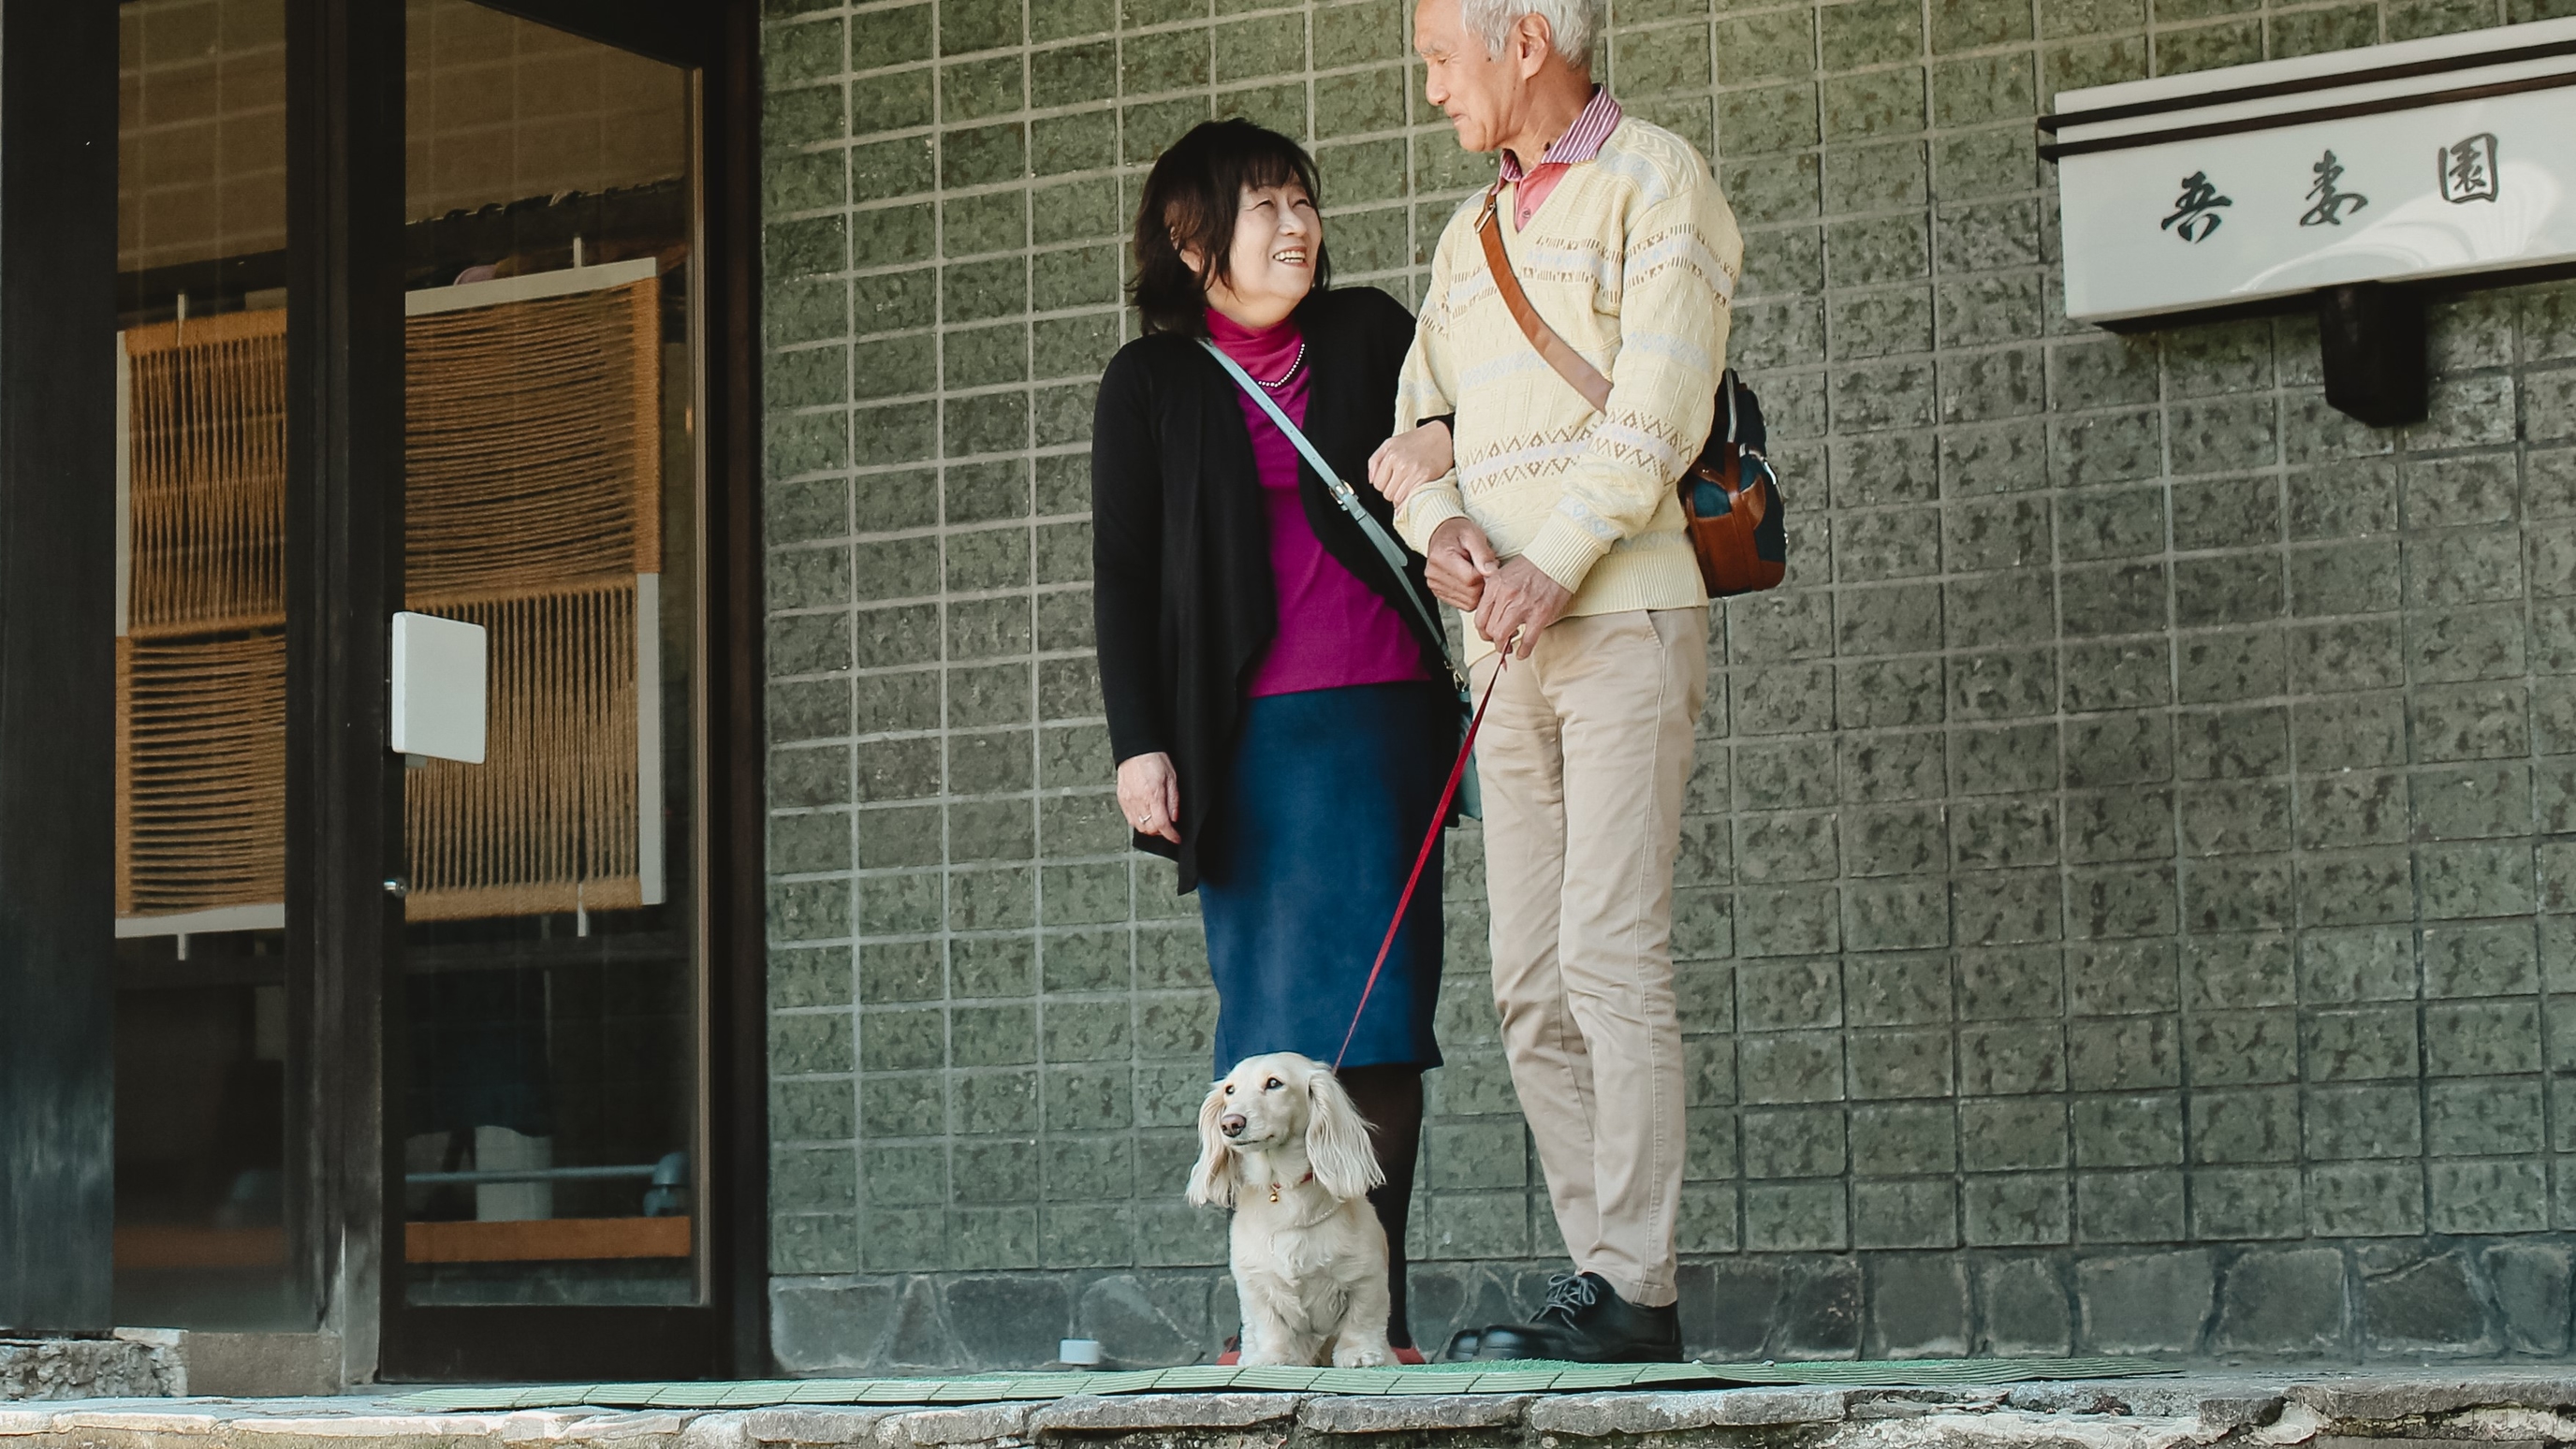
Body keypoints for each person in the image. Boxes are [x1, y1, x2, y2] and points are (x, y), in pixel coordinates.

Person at [1366, 0, 1742, 1363]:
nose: (1430, 93)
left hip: (1623, 615)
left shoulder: (1660, 180)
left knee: (1608, 952)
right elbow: (1414, 431)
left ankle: (1636, 1281)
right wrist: (1444, 531)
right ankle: (1604, 1279)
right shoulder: (1470, 236)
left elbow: (1658, 411)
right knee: (1528, 975)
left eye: (1438, 61)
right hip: (1503, 641)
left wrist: (1554, 559)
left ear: (1522, 39)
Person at [1090, 118, 1462, 1360]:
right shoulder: (1150, 382)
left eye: (1303, 199)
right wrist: (1140, 742)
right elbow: (1125, 574)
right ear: (1192, 239)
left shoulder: (1369, 331)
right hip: (1244, 745)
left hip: (1383, 720)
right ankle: (1274, 1331)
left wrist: (1442, 446)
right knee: (1270, 1040)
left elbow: (1475, 426)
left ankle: (1379, 1321)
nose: (1297, 224)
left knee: (1383, 1023)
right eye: (1264, 206)